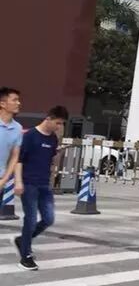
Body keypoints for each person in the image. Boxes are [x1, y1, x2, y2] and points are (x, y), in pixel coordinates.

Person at [15, 105, 69, 271]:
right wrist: (18, 182)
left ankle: (23, 240)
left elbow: (51, 160)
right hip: (29, 183)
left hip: (44, 184)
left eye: (62, 124)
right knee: (30, 220)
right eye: (58, 123)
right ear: (48, 118)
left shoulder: (52, 139)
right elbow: (19, 160)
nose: (59, 126)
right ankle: (25, 257)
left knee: (48, 219)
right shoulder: (30, 136)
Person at [0, 88, 23, 200]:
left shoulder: (17, 128)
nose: (18, 103)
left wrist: (4, 179)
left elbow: (15, 156)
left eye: (18, 100)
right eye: (14, 100)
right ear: (2, 104)